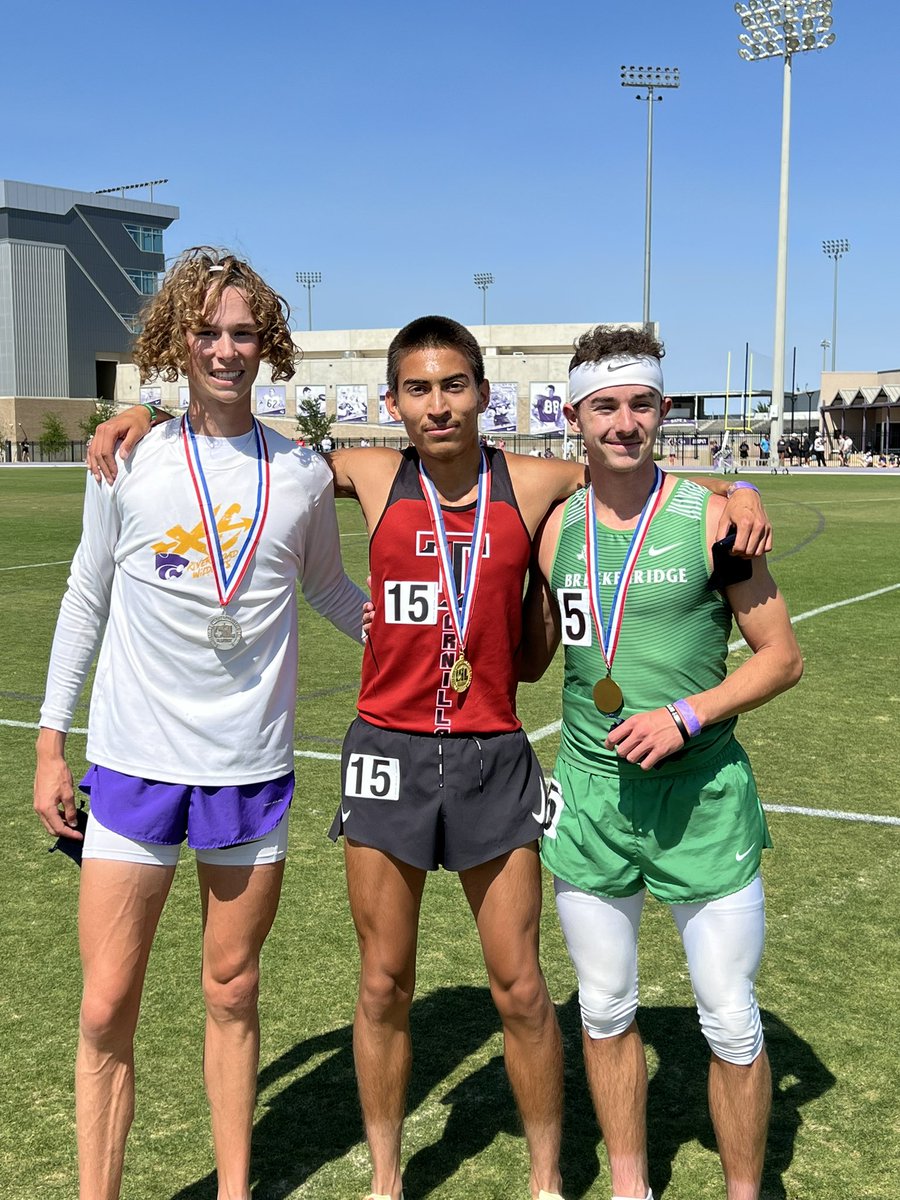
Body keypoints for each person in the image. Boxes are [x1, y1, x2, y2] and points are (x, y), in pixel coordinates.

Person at [86, 315, 772, 1200]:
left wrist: (737, 485)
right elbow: (237, 445)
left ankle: (545, 1181)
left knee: (522, 989)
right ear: (392, 402)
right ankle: (383, 1181)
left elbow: (636, 468)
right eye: (418, 388)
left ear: (485, 395)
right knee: (382, 983)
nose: (438, 404)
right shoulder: (366, 471)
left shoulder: (531, 481)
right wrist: (148, 415)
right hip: (387, 753)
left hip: (492, 752)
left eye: (455, 386)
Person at [34, 248, 367, 1200]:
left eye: (243, 332)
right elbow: (84, 597)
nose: (226, 350)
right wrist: (51, 743)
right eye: (208, 332)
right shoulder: (127, 454)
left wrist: (415, 631)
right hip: (134, 766)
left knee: (232, 992)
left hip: (248, 770)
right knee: (105, 1010)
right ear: (177, 340)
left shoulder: (300, 474)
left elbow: (332, 591)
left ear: (268, 344)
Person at [523, 324, 802, 1200]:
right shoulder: (555, 523)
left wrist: (689, 713)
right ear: (574, 417)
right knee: (603, 1009)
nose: (625, 422)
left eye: (641, 404)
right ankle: (630, 1186)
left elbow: (781, 655)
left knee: (728, 1017)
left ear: (664, 410)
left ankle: (744, 1192)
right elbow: (536, 655)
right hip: (593, 799)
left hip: (699, 797)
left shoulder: (715, 516)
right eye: (605, 405)